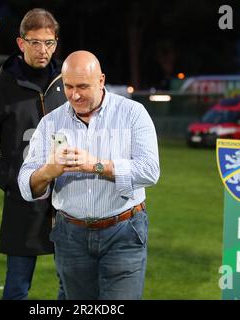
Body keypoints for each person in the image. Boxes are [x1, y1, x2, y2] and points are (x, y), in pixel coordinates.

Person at [18, 50, 160, 299]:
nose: (74, 94)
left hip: (124, 231)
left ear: (101, 80)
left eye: (83, 86)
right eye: (68, 86)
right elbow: (25, 183)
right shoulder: (50, 122)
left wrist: (96, 165)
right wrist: (49, 171)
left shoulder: (133, 113)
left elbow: (150, 171)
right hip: (70, 236)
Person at [0, 8, 67, 300]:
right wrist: (16, 183)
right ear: (21, 43)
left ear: (56, 43)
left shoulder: (66, 83)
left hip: (69, 201)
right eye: (35, 42)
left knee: (73, 287)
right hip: (24, 202)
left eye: (49, 43)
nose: (43, 50)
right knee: (17, 288)